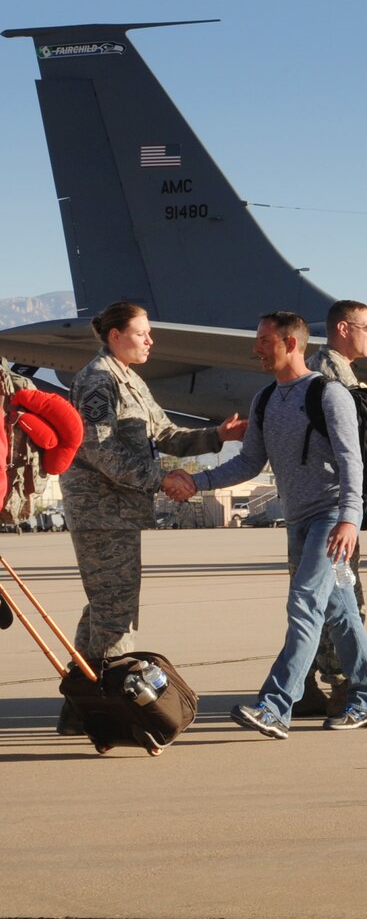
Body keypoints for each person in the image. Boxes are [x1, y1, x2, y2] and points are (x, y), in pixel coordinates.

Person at [165, 311, 367, 736]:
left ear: (291, 343)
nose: (257, 348)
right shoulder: (265, 399)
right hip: (299, 521)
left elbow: (350, 462)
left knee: (304, 605)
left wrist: (349, 519)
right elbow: (249, 462)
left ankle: (274, 706)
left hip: (331, 519)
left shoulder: (329, 394)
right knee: (339, 614)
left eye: (265, 340)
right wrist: (197, 481)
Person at [57, 301, 245, 734]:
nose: (150, 341)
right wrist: (162, 480)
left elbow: (165, 434)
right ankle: (112, 709)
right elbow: (103, 451)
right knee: (115, 613)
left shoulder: (130, 382)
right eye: (142, 333)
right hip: (101, 513)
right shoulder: (99, 382)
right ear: (115, 336)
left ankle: (81, 708)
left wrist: (218, 435)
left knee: (103, 608)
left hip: (118, 512)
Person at [291, 297, 367, 717]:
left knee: (324, 594)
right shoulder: (329, 378)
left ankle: (306, 685)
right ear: (343, 329)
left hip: (329, 511)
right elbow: (347, 453)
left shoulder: (341, 375)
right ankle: (343, 685)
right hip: (330, 513)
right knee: (339, 595)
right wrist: (349, 513)